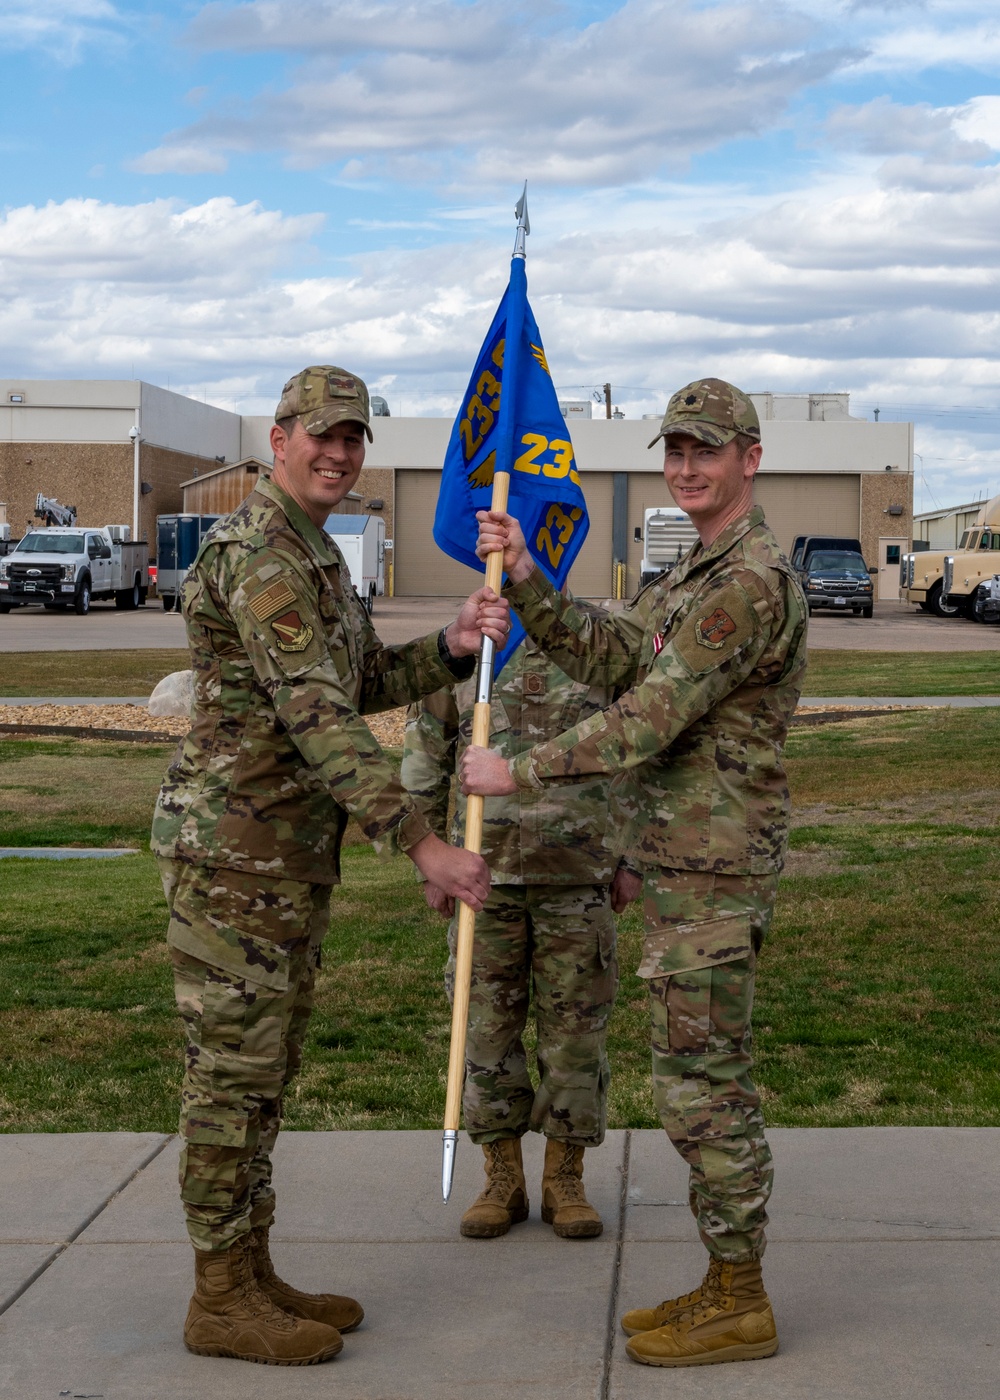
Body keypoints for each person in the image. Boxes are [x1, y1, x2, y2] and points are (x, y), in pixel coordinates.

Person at [151, 364, 509, 1367]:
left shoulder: (311, 553)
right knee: (230, 1076)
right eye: (323, 434)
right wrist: (424, 842)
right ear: (278, 437)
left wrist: (445, 644)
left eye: (354, 438)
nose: (340, 453)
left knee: (263, 1072)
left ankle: (250, 1267)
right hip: (234, 857)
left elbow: (351, 682)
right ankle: (217, 1295)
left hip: (279, 857)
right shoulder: (263, 552)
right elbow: (318, 721)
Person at [461, 379, 807, 1368]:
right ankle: (723, 1280)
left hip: (713, 870)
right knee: (692, 1079)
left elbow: (648, 715)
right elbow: (616, 655)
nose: (687, 466)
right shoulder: (693, 569)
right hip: (681, 866)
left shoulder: (746, 582)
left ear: (749, 457)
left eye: (706, 450)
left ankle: (740, 1296)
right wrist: (527, 579)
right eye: (675, 450)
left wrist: (514, 768)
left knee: (705, 1089)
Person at [402, 636, 642, 1241]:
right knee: (484, 1029)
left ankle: (566, 1177)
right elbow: (426, 756)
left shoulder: (593, 648)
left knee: (576, 1035)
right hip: (485, 876)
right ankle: (501, 1176)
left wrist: (635, 856)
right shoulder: (465, 648)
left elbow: (643, 750)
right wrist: (429, 858)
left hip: (578, 873)